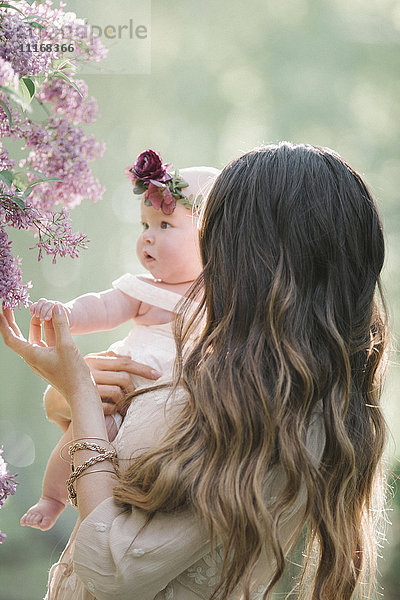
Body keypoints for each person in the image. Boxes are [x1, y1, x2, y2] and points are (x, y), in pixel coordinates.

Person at [0, 142, 388, 600]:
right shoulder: (216, 362)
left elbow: (113, 571)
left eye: (216, 235)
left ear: (263, 259)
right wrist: (70, 393)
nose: (207, 257)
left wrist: (81, 396)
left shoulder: (281, 417)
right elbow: (116, 413)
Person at [20, 149, 220, 531]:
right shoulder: (143, 291)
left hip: (167, 415)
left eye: (164, 225)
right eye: (144, 225)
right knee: (82, 435)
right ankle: (53, 496)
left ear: (210, 235)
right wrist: (64, 314)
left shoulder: (221, 299)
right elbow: (102, 306)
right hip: (116, 397)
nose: (147, 238)